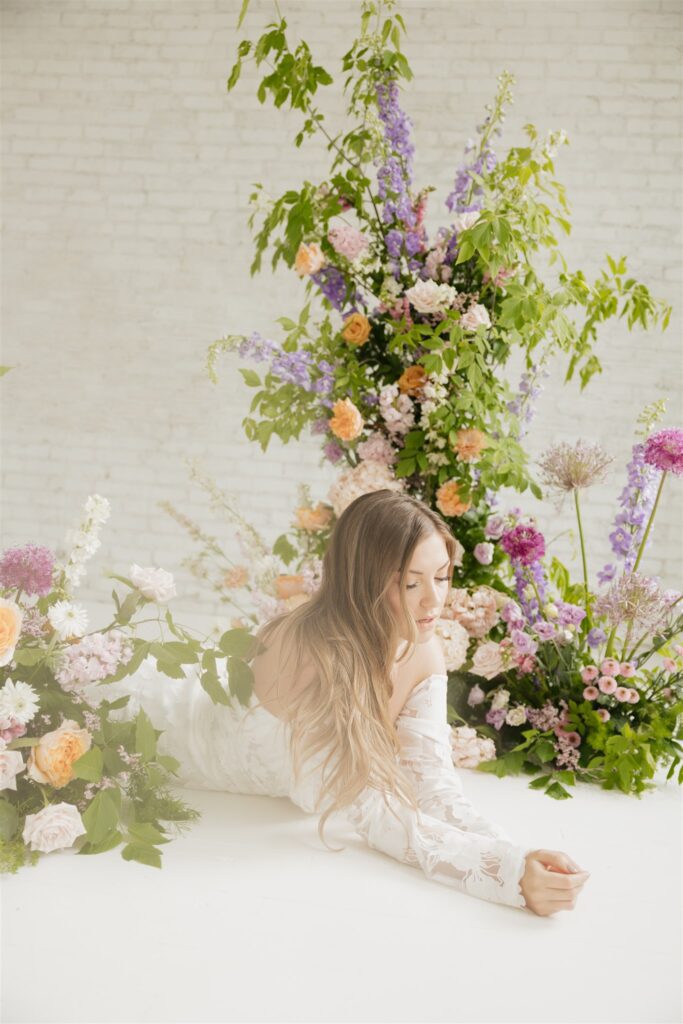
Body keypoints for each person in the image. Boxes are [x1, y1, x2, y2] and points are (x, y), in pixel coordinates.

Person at [104, 490, 590, 917]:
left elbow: (433, 782)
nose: (433, 602)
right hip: (152, 722)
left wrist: (517, 854)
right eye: (410, 583)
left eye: (441, 577)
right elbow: (376, 815)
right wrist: (507, 879)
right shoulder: (312, 655)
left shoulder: (421, 644)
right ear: (364, 580)